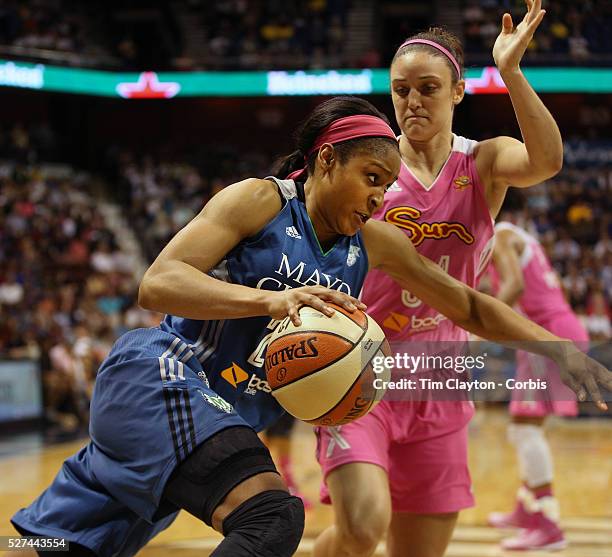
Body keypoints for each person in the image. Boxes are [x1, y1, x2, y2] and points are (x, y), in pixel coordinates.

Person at [8, 97, 609, 557]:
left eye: (387, 184)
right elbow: (158, 284)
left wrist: (556, 348)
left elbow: (467, 304)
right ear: (326, 159)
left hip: (222, 417)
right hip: (163, 378)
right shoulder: (260, 200)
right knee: (273, 517)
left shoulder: (371, 241)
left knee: (59, 547)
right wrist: (270, 302)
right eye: (371, 178)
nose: (380, 197)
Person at [314, 2, 574, 557]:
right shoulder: (371, 168)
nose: (412, 101)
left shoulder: (482, 162)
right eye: (401, 89)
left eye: (428, 88)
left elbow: (547, 160)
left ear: (457, 92)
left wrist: (512, 74)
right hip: (359, 371)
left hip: (440, 377)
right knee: (361, 530)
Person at [486, 219, 589, 551]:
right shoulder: (519, 236)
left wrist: (481, 326)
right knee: (524, 429)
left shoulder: (500, 235)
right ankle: (526, 509)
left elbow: (513, 286)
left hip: (546, 336)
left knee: (526, 430)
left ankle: (548, 525)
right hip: (551, 331)